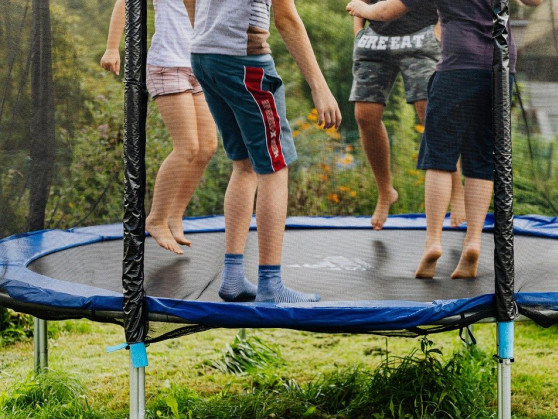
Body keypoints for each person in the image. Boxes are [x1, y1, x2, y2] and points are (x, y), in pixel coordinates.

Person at [347, 0, 518, 279]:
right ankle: (473, 241)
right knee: (483, 158)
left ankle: (433, 242)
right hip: (500, 68)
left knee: (438, 157)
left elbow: (389, 10)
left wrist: (361, 10)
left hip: (457, 66)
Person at [185, 0, 342, 303]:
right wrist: (319, 86)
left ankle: (232, 277)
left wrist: (209, 35)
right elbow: (286, 18)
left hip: (204, 56)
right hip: (244, 61)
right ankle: (270, 284)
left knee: (243, 164)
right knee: (275, 166)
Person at [101, 0, 218, 255]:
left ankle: (175, 215)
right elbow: (125, 2)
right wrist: (112, 48)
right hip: (167, 65)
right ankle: (155, 219)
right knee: (187, 146)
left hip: (199, 65)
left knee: (207, 146)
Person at [351, 2, 466, 231]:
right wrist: (359, 32)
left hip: (420, 36)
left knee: (430, 113)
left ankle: (457, 192)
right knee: (365, 115)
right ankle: (386, 192)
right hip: (375, 38)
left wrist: (439, 32)